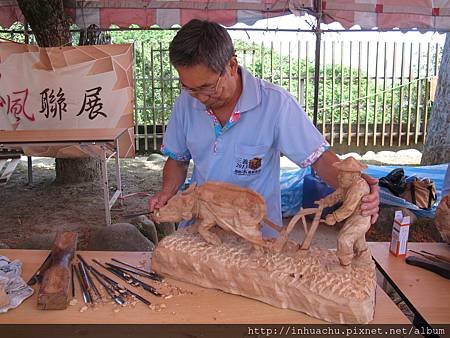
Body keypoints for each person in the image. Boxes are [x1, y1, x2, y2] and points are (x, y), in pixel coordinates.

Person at [148, 19, 379, 237]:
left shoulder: (275, 104)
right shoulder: (185, 104)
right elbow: (178, 160)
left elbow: (318, 158)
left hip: (256, 229)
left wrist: (353, 185)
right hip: (203, 225)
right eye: (189, 88)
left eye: (207, 87)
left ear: (231, 65)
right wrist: (168, 192)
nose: (199, 97)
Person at [318, 157, 372, 270]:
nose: (338, 176)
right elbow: (337, 195)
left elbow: (348, 208)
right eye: (340, 174)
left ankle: (345, 266)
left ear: (354, 177)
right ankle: (364, 259)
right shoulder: (348, 185)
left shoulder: (358, 187)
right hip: (356, 217)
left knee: (344, 239)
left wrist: (334, 217)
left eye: (342, 175)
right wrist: (325, 201)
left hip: (361, 218)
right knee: (358, 239)